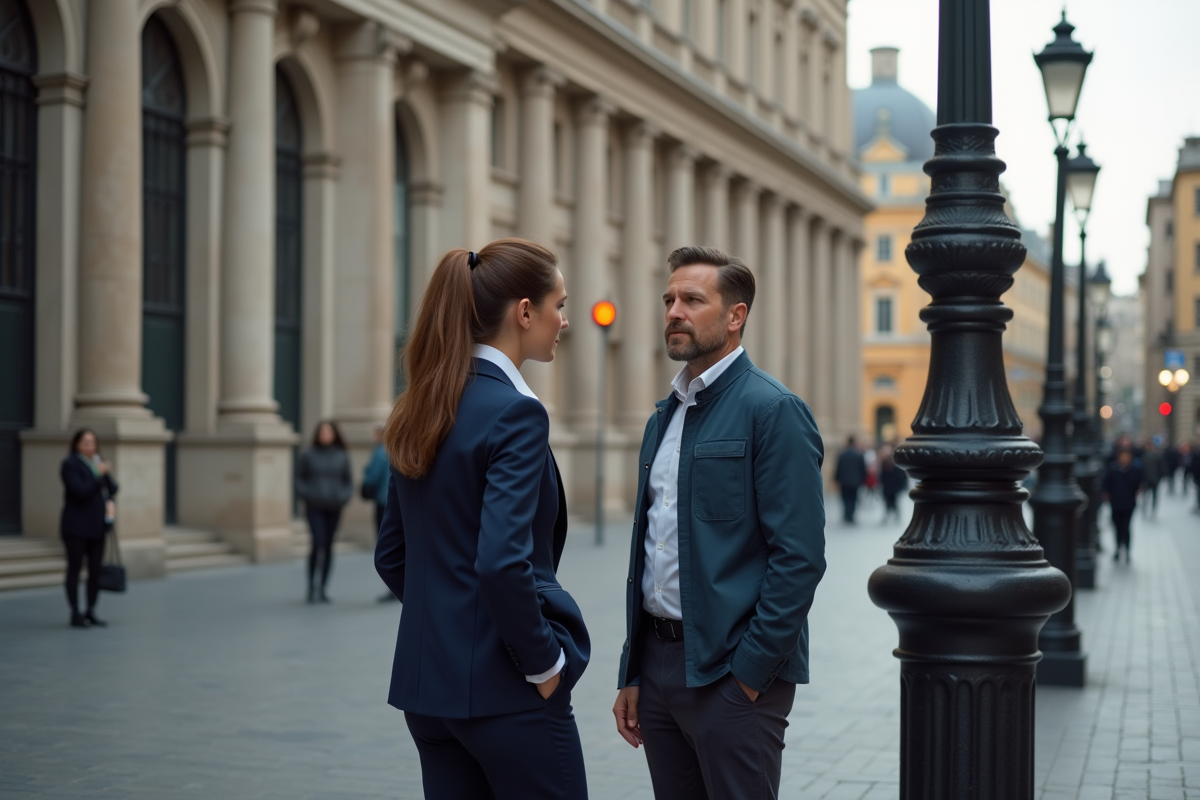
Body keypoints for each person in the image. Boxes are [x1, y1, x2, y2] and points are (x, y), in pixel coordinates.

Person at [375, 240, 588, 800]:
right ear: (524, 312)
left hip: (428, 693)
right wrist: (544, 666)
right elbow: (500, 561)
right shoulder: (516, 412)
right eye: (558, 304)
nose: (564, 320)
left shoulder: (421, 404)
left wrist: (450, 625)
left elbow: (392, 556)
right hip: (508, 693)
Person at [612, 246, 826, 800]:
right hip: (659, 667)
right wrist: (632, 673)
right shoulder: (665, 416)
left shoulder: (773, 409)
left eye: (692, 299)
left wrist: (749, 675)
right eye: (668, 300)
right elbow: (649, 553)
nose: (673, 312)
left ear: (735, 317)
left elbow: (799, 557)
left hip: (731, 673)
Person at [60, 429, 118, 628]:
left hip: (97, 527)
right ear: (77, 444)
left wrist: (105, 473)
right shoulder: (70, 464)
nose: (90, 446)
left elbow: (113, 489)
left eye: (93, 442)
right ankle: (75, 612)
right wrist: (97, 474)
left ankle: (90, 610)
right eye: (85, 442)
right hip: (76, 527)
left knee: (95, 570)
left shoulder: (97, 463)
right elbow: (81, 491)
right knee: (74, 569)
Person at [296, 420, 352, 603]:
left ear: (334, 434)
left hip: (334, 507)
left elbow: (348, 481)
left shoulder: (342, 456)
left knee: (328, 546)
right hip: (315, 507)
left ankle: (323, 587)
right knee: (317, 543)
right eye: (322, 432)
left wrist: (343, 497)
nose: (324, 435)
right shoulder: (308, 455)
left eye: (328, 432)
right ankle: (311, 586)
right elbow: (298, 478)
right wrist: (308, 495)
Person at [361, 425, 397, 603]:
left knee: (385, 543)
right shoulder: (396, 449)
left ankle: (392, 588)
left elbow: (373, 476)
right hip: (394, 501)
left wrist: (365, 485)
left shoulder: (380, 452)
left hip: (383, 501)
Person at [1101, 448, 1144, 564]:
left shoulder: (1135, 470)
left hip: (1129, 504)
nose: (1124, 459)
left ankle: (1127, 550)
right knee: (1117, 527)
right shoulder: (1113, 469)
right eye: (1122, 456)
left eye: (1127, 456)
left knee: (1126, 527)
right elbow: (1105, 484)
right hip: (1115, 503)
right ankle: (1117, 548)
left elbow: (1140, 483)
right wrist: (1106, 495)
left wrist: (1139, 491)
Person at [835, 435, 867, 524]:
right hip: (855, 481)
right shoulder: (859, 455)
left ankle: (847, 513)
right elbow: (863, 469)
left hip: (844, 481)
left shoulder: (842, 454)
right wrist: (863, 479)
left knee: (845, 498)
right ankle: (851, 514)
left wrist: (837, 479)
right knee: (853, 498)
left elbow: (838, 468)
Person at [878, 445, 909, 525]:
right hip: (889, 487)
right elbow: (882, 476)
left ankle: (894, 515)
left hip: (892, 487)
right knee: (889, 502)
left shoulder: (895, 464)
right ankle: (891, 515)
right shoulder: (884, 463)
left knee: (893, 502)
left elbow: (902, 476)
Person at [1140, 441, 1164, 519]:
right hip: (1147, 480)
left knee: (1154, 496)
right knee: (1146, 496)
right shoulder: (1143, 457)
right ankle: (1145, 509)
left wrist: (1159, 478)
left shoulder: (1157, 457)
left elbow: (1161, 469)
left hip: (1154, 480)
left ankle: (1153, 510)